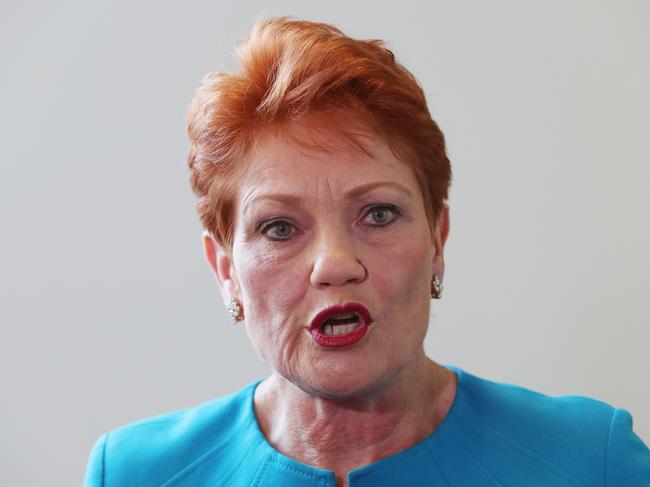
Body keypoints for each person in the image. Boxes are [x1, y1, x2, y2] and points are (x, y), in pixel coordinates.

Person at [84, 17, 650, 486]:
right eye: (279, 228)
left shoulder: (589, 460)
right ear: (226, 270)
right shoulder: (134, 473)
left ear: (437, 241)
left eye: (378, 214)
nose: (335, 264)